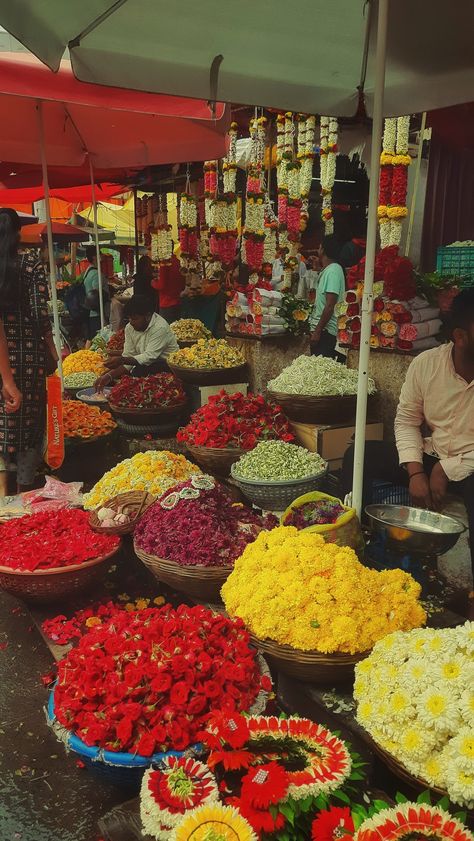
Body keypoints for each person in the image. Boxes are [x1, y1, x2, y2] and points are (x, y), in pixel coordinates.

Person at [342, 287, 474, 586]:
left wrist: (446, 469)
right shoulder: (427, 364)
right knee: (360, 454)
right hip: (433, 453)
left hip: (470, 465)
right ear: (460, 336)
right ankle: (358, 548)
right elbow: (406, 421)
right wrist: (416, 471)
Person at [0, 208, 58, 495]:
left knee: (4, 425)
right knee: (28, 424)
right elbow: (39, 314)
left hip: (2, 359)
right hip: (27, 357)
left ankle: (4, 492)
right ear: (19, 232)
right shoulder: (30, 264)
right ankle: (25, 489)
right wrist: (51, 348)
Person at [95, 294, 179, 390]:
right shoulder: (130, 328)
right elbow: (129, 356)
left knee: (139, 373)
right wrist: (108, 376)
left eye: (135, 319)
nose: (131, 322)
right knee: (129, 377)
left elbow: (148, 357)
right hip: (145, 366)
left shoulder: (160, 327)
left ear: (147, 316)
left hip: (166, 366)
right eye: (129, 318)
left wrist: (121, 360)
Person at [309, 234, 346, 358]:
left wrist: (318, 331)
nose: (318, 250)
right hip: (323, 331)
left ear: (323, 250)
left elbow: (330, 305)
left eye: (319, 247)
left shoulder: (333, 271)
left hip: (327, 333)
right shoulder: (329, 270)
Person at [83, 245, 109, 339]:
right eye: (100, 253)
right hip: (97, 313)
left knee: (93, 338)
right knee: (99, 339)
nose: (102, 255)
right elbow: (97, 294)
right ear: (94, 257)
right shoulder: (96, 274)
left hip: (91, 312)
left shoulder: (88, 271)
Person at [154, 251, 184, 323]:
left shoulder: (164, 263)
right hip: (177, 302)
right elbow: (183, 284)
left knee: (166, 330)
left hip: (166, 303)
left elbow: (161, 285)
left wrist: (153, 283)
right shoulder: (178, 262)